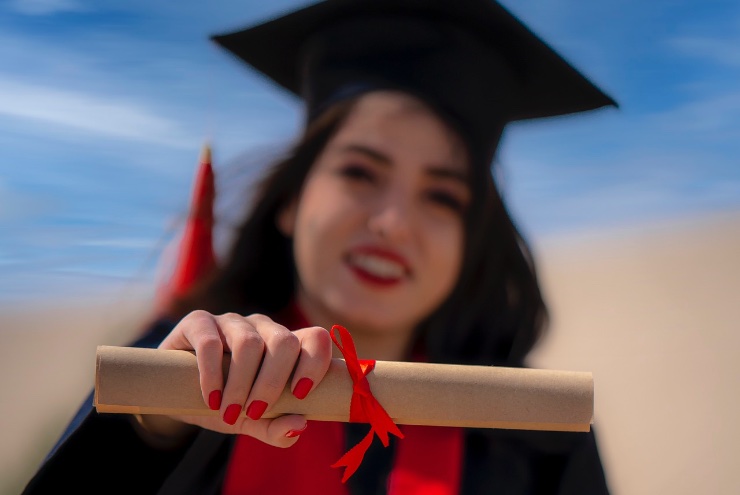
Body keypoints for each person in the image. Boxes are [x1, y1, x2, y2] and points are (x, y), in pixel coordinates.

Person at [22, 0, 617, 493]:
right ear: (291, 200)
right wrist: (154, 420)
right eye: (360, 172)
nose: (393, 223)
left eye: (443, 197)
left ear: (471, 241)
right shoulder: (188, 378)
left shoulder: (532, 436)